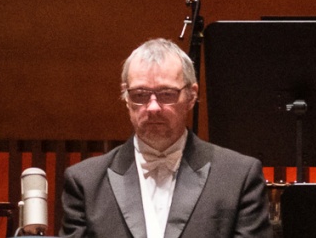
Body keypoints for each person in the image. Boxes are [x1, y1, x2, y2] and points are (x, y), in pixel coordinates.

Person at [58, 40, 269, 238]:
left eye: (166, 94)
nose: (153, 107)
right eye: (140, 95)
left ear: (191, 96)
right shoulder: (85, 182)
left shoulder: (238, 177)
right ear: (126, 97)